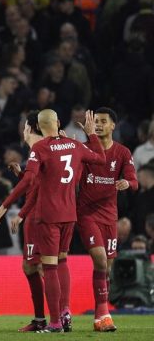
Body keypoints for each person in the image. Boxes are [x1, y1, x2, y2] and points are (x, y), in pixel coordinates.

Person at [0, 109, 106, 333]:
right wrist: (92, 135)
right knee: (62, 261)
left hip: (48, 215)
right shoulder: (74, 145)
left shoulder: (40, 148)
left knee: (49, 266)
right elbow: (101, 159)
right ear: (58, 122)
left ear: (37, 126)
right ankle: (65, 312)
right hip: (69, 214)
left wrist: (5, 205)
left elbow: (30, 181)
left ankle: (55, 322)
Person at [76, 107, 137, 331]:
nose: (99, 125)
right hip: (86, 214)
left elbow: (134, 181)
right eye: (96, 121)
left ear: (113, 126)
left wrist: (127, 183)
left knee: (106, 269)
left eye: (103, 121)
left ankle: (99, 317)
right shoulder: (84, 150)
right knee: (100, 260)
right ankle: (104, 314)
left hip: (109, 217)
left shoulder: (122, 152)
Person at [0, 111, 47, 331]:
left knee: (42, 266)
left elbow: (32, 187)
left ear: (31, 128)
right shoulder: (50, 148)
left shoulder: (38, 149)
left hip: (40, 215)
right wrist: (22, 174)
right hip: (47, 212)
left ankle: (56, 316)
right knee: (38, 265)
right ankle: (50, 317)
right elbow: (37, 183)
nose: (23, 130)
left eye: (24, 126)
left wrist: (8, 207)